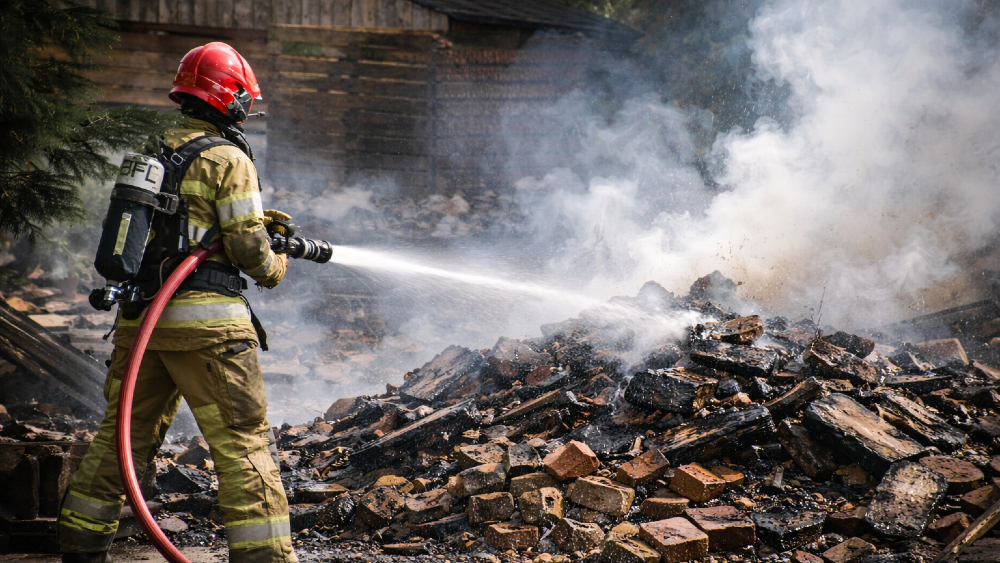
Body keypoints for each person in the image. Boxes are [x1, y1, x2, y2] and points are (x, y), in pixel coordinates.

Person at [57, 42, 297, 563]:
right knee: (243, 447)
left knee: (121, 440)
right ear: (229, 99)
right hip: (210, 331)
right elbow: (247, 247)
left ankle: (79, 548)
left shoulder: (149, 150)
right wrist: (276, 265)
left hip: (141, 323)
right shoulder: (227, 158)